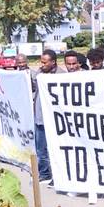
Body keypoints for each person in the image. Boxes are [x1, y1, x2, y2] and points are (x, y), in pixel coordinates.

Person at [32, 50, 66, 185]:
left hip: (55, 120)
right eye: (41, 62)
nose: (42, 64)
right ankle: (44, 173)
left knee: (56, 149)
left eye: (45, 62)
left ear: (53, 62)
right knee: (41, 149)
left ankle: (59, 176)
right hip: (40, 117)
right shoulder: (39, 74)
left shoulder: (61, 75)